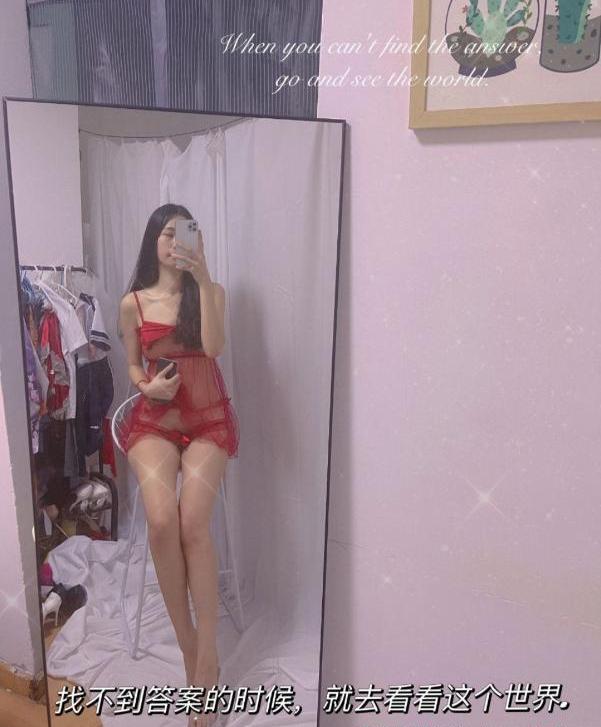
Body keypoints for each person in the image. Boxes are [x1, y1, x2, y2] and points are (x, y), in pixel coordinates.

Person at [118, 203, 239, 726]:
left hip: (208, 420)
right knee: (162, 520)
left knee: (193, 524)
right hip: (155, 422)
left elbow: (212, 347)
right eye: (167, 234)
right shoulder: (133, 303)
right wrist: (147, 386)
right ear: (153, 240)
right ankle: (190, 648)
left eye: (185, 234)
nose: (175, 243)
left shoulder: (212, 293)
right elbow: (131, 364)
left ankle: (208, 656)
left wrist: (204, 276)